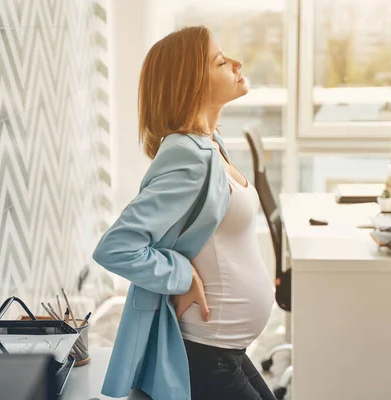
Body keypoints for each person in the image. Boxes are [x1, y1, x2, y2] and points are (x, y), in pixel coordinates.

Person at [93, 25, 276, 400]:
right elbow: (117, 246)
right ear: (192, 83)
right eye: (222, 61)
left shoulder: (211, 144)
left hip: (226, 348)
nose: (237, 63)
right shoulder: (187, 156)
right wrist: (180, 275)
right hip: (205, 352)